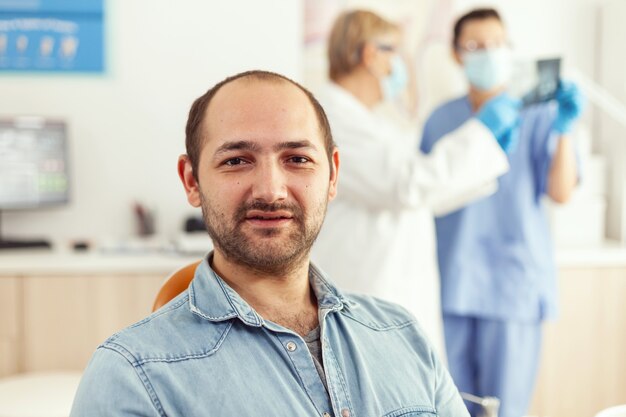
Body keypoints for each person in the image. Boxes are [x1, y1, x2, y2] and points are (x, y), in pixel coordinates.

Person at [70, 70, 471, 416]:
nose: (271, 190)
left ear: (332, 176)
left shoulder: (403, 335)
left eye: (297, 159)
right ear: (192, 181)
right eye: (236, 160)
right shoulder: (131, 375)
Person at [311, 10, 519, 355]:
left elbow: (419, 196)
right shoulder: (333, 121)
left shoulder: (370, 122)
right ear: (371, 55)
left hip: (386, 289)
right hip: (368, 291)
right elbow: (407, 186)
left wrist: (488, 151)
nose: (402, 64)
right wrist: (482, 133)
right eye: (395, 51)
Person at [419, 8, 583, 417]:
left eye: (496, 44)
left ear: (510, 49)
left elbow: (561, 192)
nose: (488, 54)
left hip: (513, 286)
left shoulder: (539, 113)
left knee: (504, 410)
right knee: (448, 407)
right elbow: (420, 196)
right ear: (457, 54)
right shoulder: (441, 119)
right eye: (475, 46)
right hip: (451, 281)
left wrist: (564, 129)